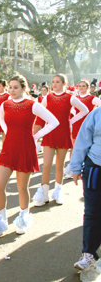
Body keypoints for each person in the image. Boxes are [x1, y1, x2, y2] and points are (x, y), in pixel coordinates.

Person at [0, 75, 59, 237]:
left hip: (25, 149)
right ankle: (2, 219)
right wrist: (8, 131)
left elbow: (54, 121)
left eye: (16, 87)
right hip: (8, 148)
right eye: (10, 87)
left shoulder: (32, 105)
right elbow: (1, 120)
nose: (12, 90)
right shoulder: (5, 104)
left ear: (23, 88)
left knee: (22, 187)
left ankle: (23, 217)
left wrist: (36, 136)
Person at [33, 74, 89, 206]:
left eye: (57, 82)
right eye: (53, 82)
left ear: (64, 83)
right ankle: (44, 193)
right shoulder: (47, 97)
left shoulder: (70, 97)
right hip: (50, 133)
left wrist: (70, 121)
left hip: (63, 133)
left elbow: (84, 110)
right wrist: (37, 132)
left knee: (59, 165)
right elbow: (40, 114)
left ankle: (58, 190)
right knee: (46, 165)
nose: (54, 84)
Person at [70, 106, 101, 272]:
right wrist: (75, 167)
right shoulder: (97, 113)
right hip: (95, 169)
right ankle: (88, 254)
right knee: (92, 212)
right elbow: (83, 140)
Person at [64, 79, 101, 179]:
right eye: (79, 86)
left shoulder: (92, 98)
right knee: (74, 147)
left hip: (88, 125)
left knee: (85, 146)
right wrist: (72, 119)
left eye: (83, 86)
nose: (81, 88)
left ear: (88, 88)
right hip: (76, 124)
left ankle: (84, 167)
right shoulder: (75, 98)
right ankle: (72, 168)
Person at [33, 85, 50, 153]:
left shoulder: (50, 97)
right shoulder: (38, 98)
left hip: (47, 117)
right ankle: (38, 146)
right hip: (40, 117)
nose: (43, 91)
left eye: (44, 90)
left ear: (47, 91)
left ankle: (47, 147)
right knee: (36, 132)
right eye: (42, 90)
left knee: (47, 133)